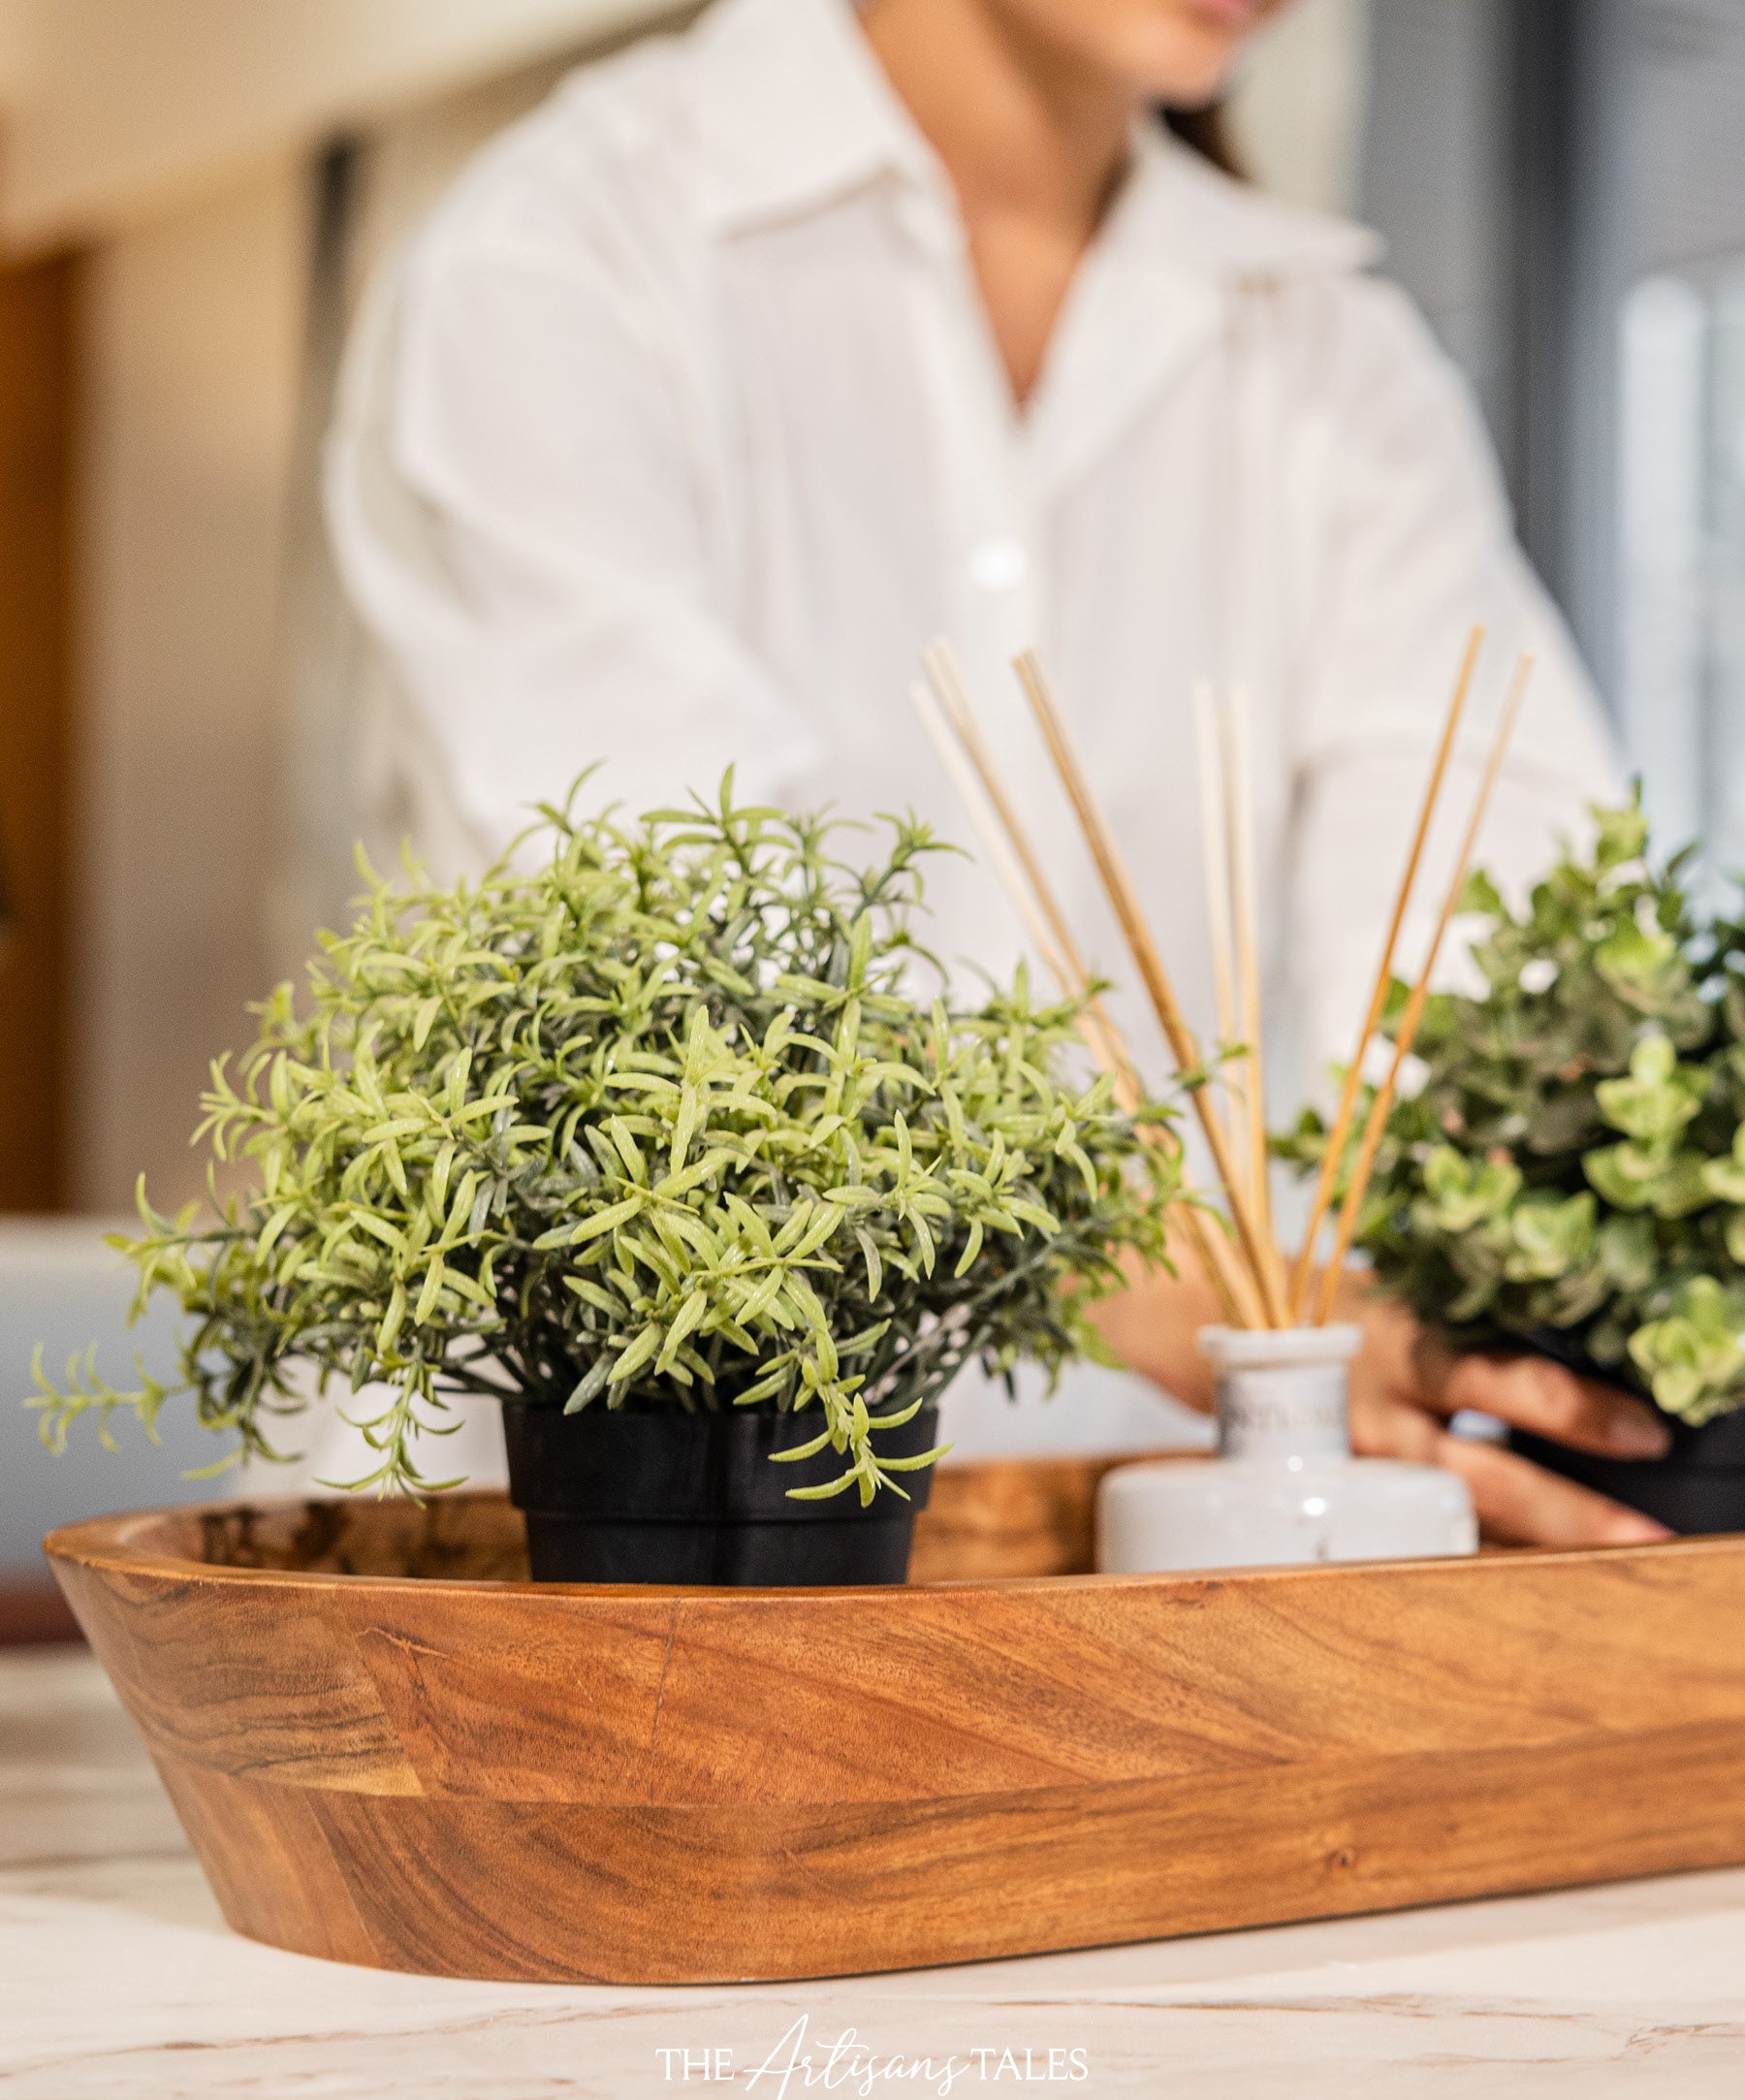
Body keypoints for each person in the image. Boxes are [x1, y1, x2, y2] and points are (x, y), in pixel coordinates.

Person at [326, 0, 1672, 1544]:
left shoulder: (1331, 359)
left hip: (1111, 1562)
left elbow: (1496, 927)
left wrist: (1487, 1286)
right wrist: (1138, 1267)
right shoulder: (567, 256)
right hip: (586, 1548)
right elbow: (673, 962)